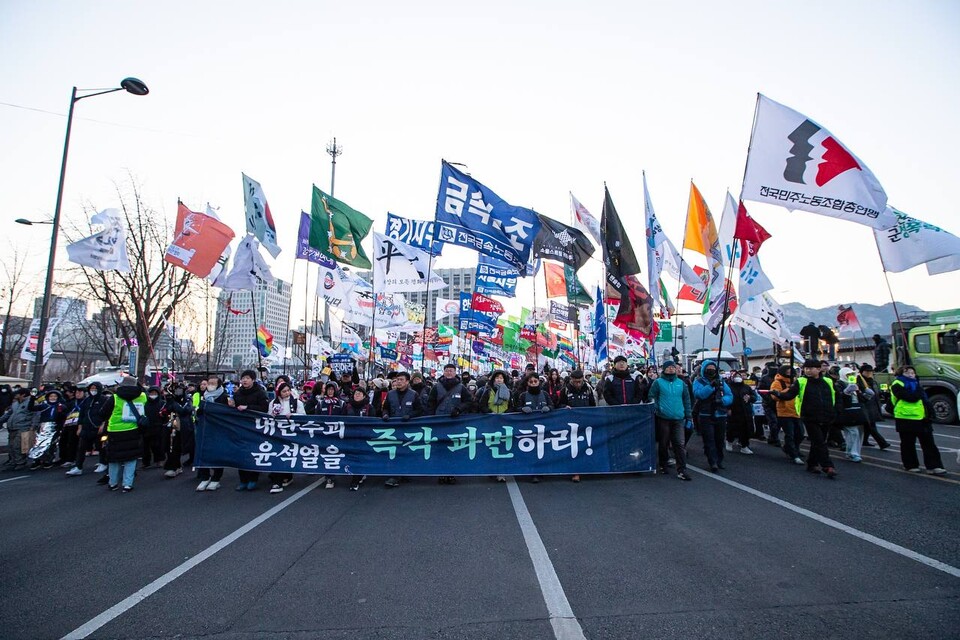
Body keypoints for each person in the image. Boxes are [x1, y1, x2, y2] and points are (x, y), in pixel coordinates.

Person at [890, 366, 945, 474]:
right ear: (901, 374)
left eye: (912, 373)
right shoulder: (897, 384)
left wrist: (930, 413)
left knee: (929, 443)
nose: (911, 375)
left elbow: (925, 401)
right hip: (905, 417)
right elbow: (911, 397)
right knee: (908, 443)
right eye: (907, 373)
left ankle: (934, 466)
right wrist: (919, 390)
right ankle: (910, 465)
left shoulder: (916, 384)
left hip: (922, 417)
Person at [427, 363, 475, 484]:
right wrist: (431, 419)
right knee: (440, 448)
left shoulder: (461, 387)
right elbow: (430, 403)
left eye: (451, 371)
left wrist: (459, 409)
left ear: (455, 373)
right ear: (443, 372)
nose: (449, 373)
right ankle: (441, 473)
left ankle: (452, 472)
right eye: (447, 371)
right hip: (440, 423)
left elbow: (469, 401)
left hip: (455, 423)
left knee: (454, 448)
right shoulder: (436, 387)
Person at [100, 377, 147, 492]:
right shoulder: (142, 397)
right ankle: (127, 484)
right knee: (131, 458)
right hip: (133, 429)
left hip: (115, 430)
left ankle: (113, 483)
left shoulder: (115, 397)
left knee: (114, 458)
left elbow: (103, 413)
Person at [648, 360, 692, 481]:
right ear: (665, 369)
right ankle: (663, 463)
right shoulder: (658, 383)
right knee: (664, 442)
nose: (671, 369)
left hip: (679, 418)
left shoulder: (681, 383)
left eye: (673, 367)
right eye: (669, 367)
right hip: (663, 418)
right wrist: (657, 408)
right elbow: (652, 396)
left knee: (679, 444)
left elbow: (687, 400)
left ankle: (682, 469)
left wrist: (688, 415)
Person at [796, 359, 837, 479]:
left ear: (818, 369)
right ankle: (827, 466)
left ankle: (812, 464)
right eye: (806, 368)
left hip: (826, 415)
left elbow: (836, 396)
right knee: (820, 442)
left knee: (817, 442)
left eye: (810, 368)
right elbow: (790, 394)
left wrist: (836, 411)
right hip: (809, 417)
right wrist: (778, 394)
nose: (807, 370)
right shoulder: (801, 381)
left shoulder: (828, 381)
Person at [381, 371, 423, 488]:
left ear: (407, 381)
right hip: (394, 429)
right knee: (394, 451)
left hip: (408, 427)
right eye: (397, 380)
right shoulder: (390, 394)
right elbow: (385, 409)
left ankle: (404, 472)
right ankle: (394, 475)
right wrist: (385, 415)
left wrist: (410, 416)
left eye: (401, 380)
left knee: (405, 451)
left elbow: (420, 410)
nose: (399, 382)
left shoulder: (414, 394)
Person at [229, 369, 269, 491]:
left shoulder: (260, 392)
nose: (245, 380)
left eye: (247, 378)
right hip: (241, 427)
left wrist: (248, 408)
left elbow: (264, 408)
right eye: (243, 378)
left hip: (254, 427)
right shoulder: (238, 393)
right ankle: (243, 480)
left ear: (253, 379)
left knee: (252, 453)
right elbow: (234, 408)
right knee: (241, 453)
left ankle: (253, 479)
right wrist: (231, 405)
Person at [692, 361, 733, 473]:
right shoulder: (698, 381)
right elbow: (699, 394)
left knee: (719, 439)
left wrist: (723, 401)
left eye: (713, 369)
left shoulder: (721, 381)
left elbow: (729, 395)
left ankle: (719, 459)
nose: (711, 371)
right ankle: (712, 461)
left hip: (720, 414)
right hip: (706, 414)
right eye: (708, 369)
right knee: (709, 439)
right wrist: (710, 386)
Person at [512, 371, 553, 483]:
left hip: (544, 428)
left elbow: (552, 405)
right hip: (528, 429)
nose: (534, 383)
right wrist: (522, 409)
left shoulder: (545, 394)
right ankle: (532, 472)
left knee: (543, 450)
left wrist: (549, 408)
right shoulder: (523, 395)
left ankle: (542, 471)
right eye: (531, 382)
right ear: (528, 384)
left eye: (535, 381)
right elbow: (516, 408)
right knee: (531, 451)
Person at [557, 369, 597, 483]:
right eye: (575, 382)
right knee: (574, 448)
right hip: (571, 424)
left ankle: (587, 468)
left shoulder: (588, 389)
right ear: (571, 380)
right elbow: (558, 404)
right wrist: (564, 406)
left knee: (586, 446)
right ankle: (575, 471)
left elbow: (593, 405)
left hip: (585, 422)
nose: (577, 384)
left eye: (579, 381)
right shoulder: (565, 390)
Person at [194, 374, 230, 490]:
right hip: (205, 428)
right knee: (203, 451)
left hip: (218, 429)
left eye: (213, 384)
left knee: (217, 453)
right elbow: (198, 410)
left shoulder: (224, 397)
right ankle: (205, 477)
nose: (210, 386)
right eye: (209, 383)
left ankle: (216, 478)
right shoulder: (203, 396)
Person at [267, 382, 304, 493]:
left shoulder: (297, 403)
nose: (287, 393)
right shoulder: (273, 403)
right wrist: (273, 415)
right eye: (284, 391)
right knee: (277, 455)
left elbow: (304, 416)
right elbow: (268, 417)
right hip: (277, 434)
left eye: (288, 390)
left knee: (288, 455)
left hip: (292, 434)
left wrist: (293, 416)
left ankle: (287, 476)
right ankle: (277, 482)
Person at [768, 365, 805, 465]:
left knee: (800, 434)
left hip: (796, 411)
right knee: (790, 434)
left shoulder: (797, 382)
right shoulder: (777, 382)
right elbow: (775, 397)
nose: (790, 373)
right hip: (784, 412)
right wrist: (789, 389)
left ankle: (792, 448)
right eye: (788, 372)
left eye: (791, 372)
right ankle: (794, 454)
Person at [836, 367, 867, 463]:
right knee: (853, 432)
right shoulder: (838, 384)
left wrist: (866, 395)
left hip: (857, 410)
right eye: (848, 375)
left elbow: (860, 398)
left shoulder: (855, 384)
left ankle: (851, 452)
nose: (851, 376)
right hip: (847, 411)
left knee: (857, 432)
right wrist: (846, 392)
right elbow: (838, 397)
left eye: (852, 374)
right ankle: (853, 453)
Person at [856, 364, 890, 449]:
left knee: (870, 424)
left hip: (873, 405)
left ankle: (864, 441)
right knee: (871, 425)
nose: (869, 373)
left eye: (870, 372)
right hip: (865, 405)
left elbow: (876, 392)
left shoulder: (872, 380)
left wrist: (882, 394)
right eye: (866, 371)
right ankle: (882, 443)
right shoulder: (859, 380)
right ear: (862, 372)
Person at [1, 388, 33, 470]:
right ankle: (13, 461)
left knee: (17, 446)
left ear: (23, 395)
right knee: (11, 446)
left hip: (23, 427)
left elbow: (35, 415)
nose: (15, 395)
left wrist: (33, 426)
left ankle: (20, 462)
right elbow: (9, 414)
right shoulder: (15, 404)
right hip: (12, 427)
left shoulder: (31, 403)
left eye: (18, 394)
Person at [725, 371, 757, 455]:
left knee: (745, 429)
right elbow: (726, 397)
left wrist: (750, 397)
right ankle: (729, 441)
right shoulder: (728, 387)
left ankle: (744, 446)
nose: (738, 378)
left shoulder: (746, 387)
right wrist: (728, 408)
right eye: (736, 376)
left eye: (739, 376)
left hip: (745, 410)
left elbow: (754, 397)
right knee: (732, 427)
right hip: (734, 410)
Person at [141, 386, 166, 469]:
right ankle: (146, 462)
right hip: (147, 427)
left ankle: (159, 460)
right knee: (145, 446)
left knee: (158, 445)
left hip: (159, 427)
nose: (153, 395)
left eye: (155, 393)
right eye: (151, 393)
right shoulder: (145, 404)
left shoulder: (162, 403)